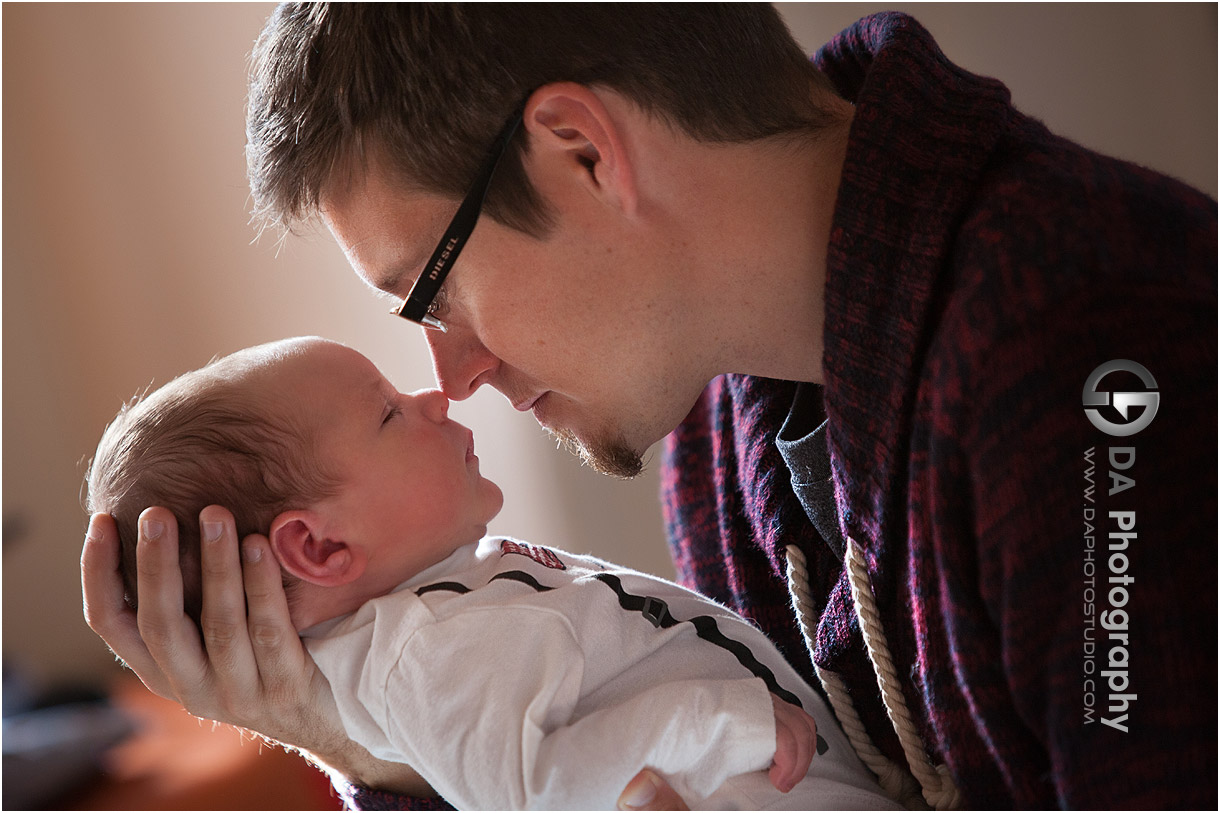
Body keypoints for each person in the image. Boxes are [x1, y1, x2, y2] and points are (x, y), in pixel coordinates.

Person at [81, 5, 1217, 809]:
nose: (455, 371)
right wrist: (373, 744)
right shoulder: (722, 423)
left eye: (430, 290)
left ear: (580, 152)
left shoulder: (1092, 353)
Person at [85, 335, 900, 810]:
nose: (435, 398)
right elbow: (541, 793)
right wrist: (713, 718)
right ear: (322, 548)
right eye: (388, 413)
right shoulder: (428, 652)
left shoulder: (444, 610)